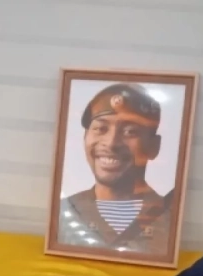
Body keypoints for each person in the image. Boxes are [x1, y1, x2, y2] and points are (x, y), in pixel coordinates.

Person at [58, 83, 173, 255]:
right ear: (85, 137)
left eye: (130, 131)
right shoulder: (64, 213)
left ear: (154, 146)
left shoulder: (170, 218)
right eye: (100, 129)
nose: (111, 143)